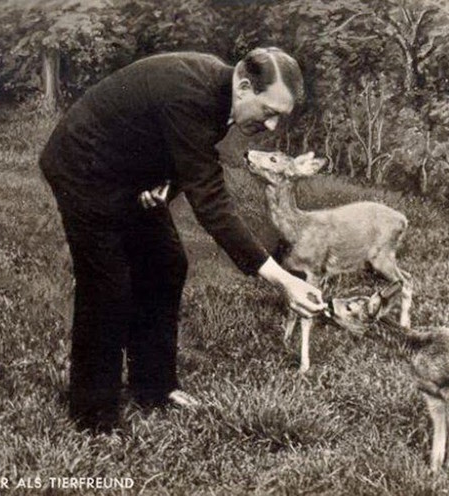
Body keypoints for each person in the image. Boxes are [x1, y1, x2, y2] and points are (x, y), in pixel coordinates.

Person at [39, 47, 325, 433]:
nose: (273, 127)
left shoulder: (220, 94)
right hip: (83, 168)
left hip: (127, 171)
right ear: (244, 85)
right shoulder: (193, 93)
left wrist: (165, 181)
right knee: (107, 284)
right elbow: (212, 203)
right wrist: (283, 279)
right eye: (269, 112)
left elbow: (179, 146)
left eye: (280, 117)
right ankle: (93, 413)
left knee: (166, 263)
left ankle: (154, 387)